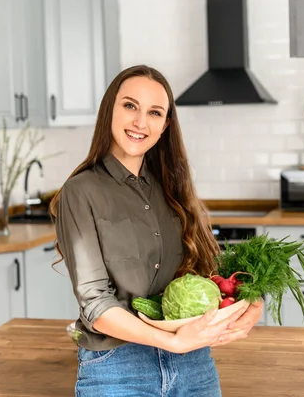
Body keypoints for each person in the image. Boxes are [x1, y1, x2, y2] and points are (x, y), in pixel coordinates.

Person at [49, 64, 264, 396]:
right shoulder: (81, 192)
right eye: (130, 106)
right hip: (117, 368)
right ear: (110, 110)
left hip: (193, 363)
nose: (140, 122)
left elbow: (210, 273)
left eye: (154, 112)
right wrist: (173, 343)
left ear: (164, 126)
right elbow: (95, 304)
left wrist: (252, 302)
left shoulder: (173, 188)